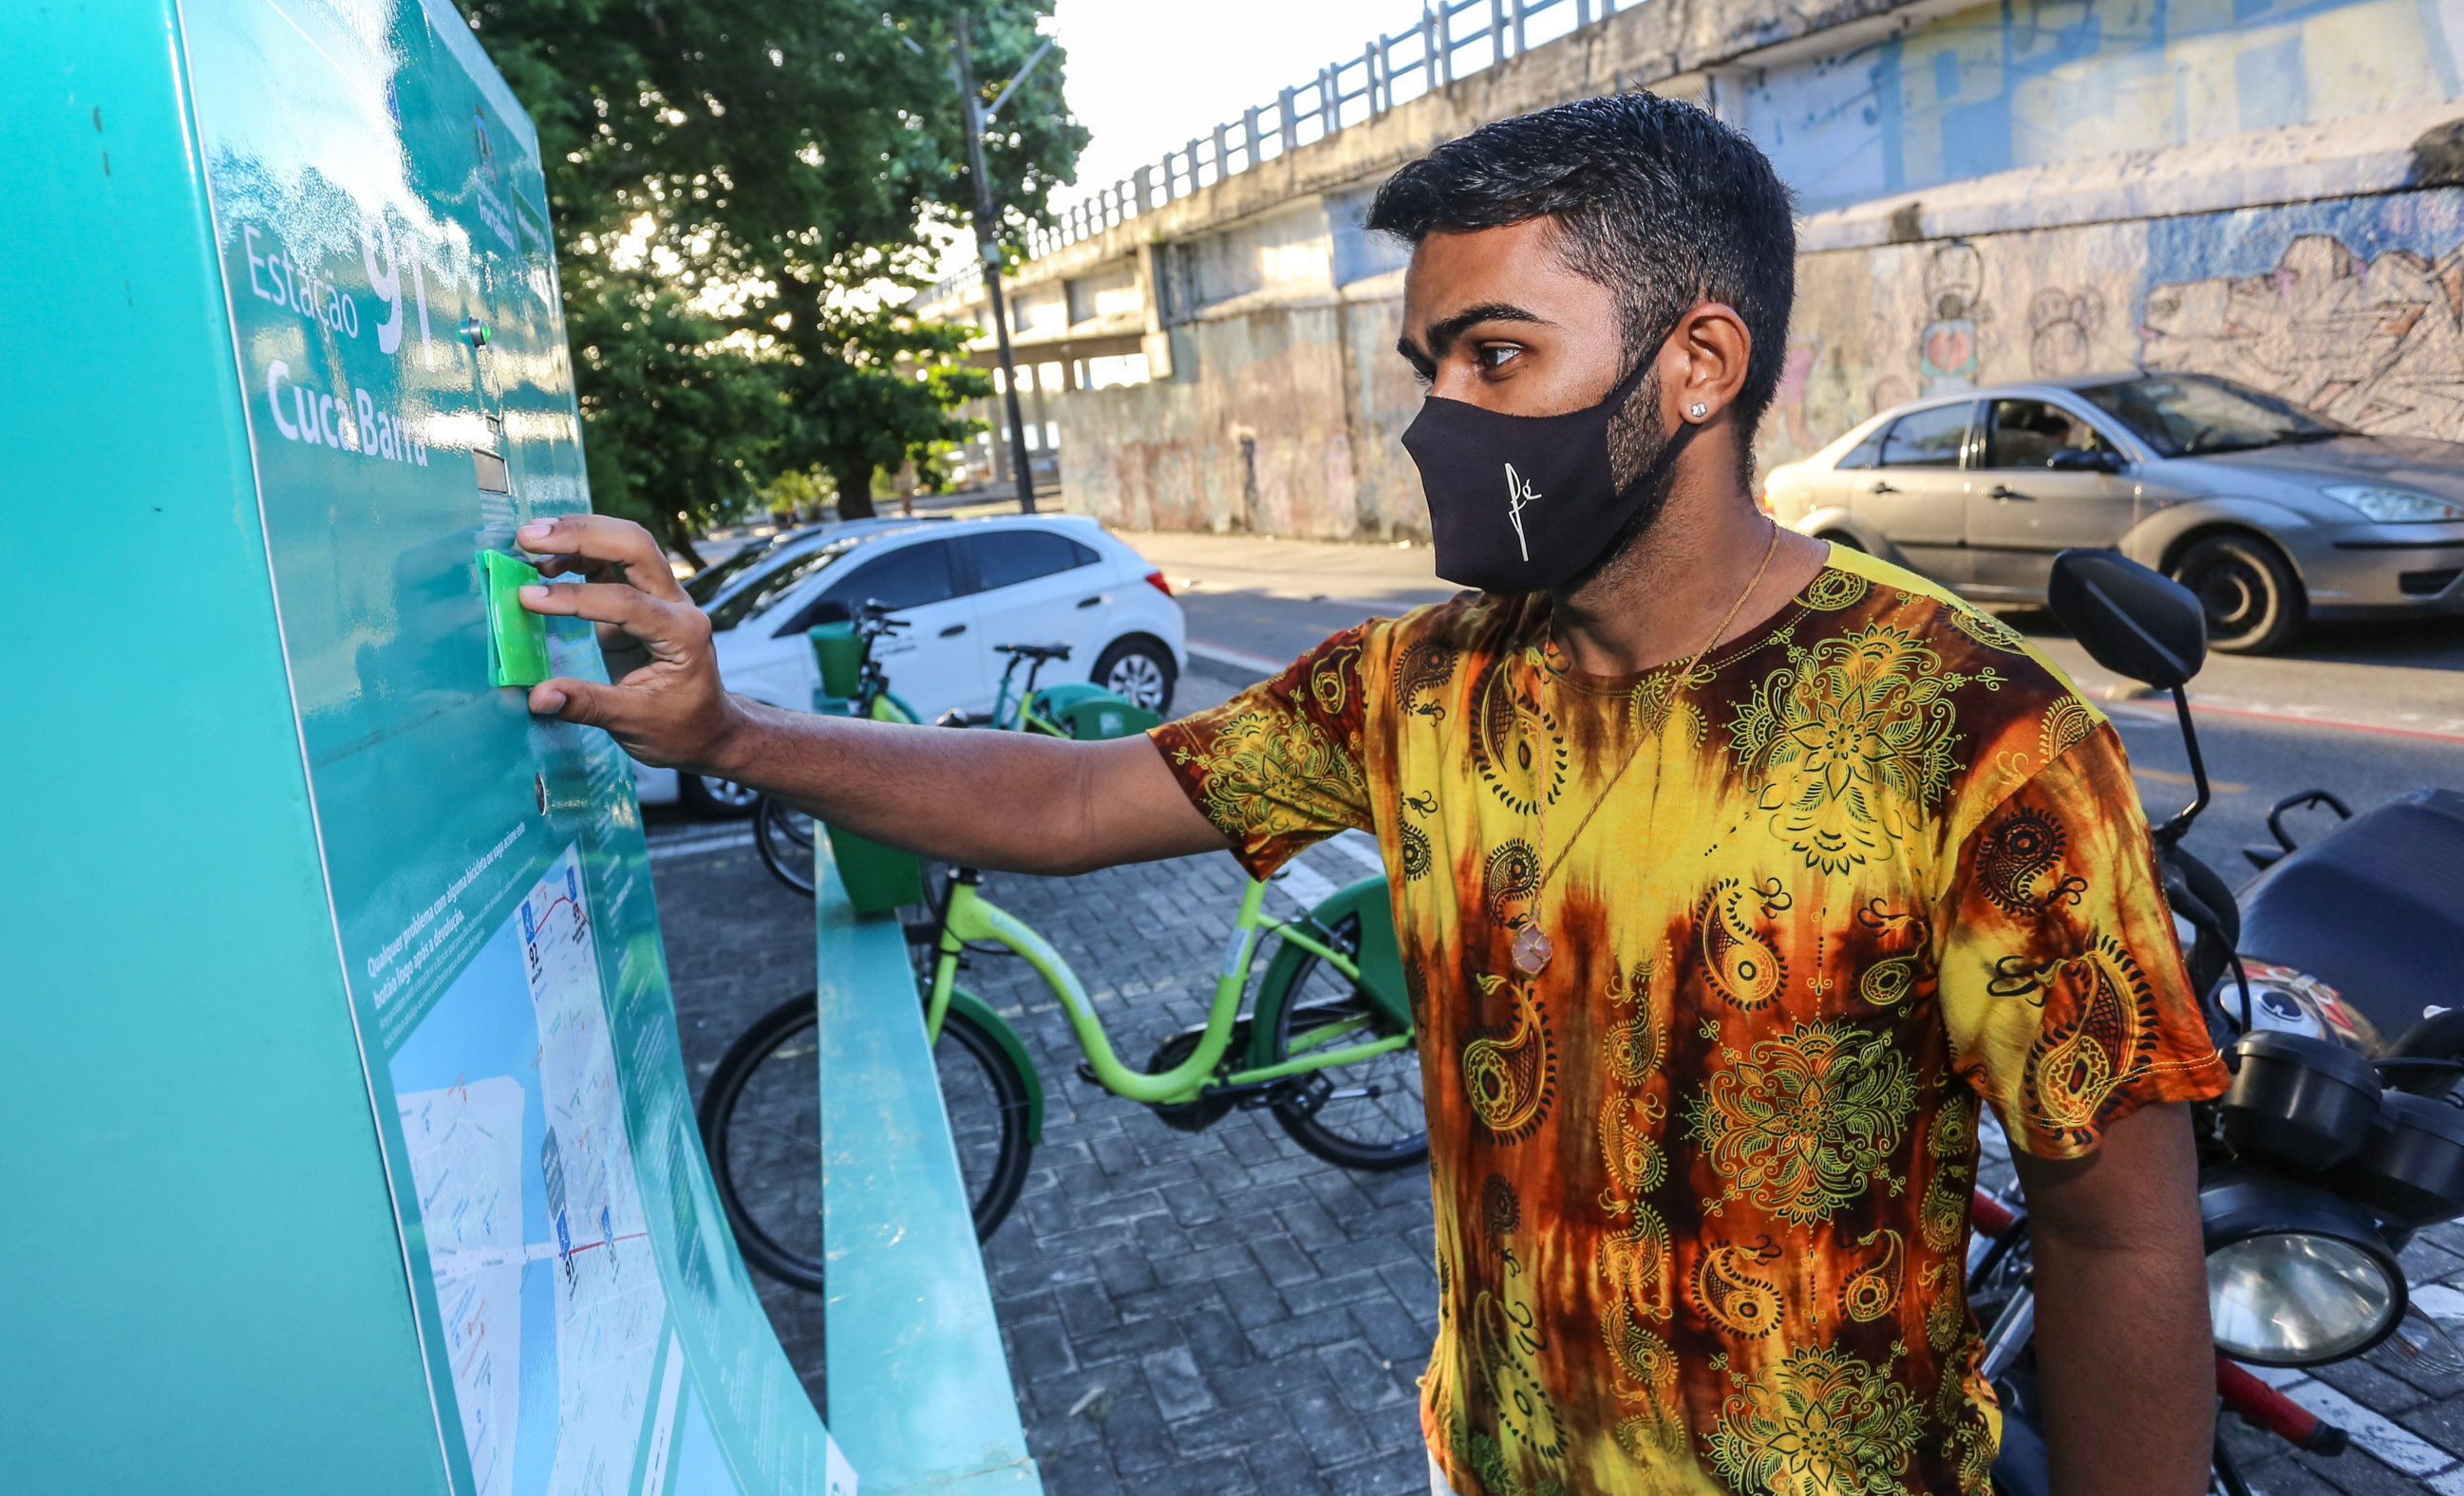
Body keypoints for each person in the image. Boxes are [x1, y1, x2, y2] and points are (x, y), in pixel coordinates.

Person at [510, 92, 2229, 1496]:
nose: (1438, 423)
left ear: (1698, 364)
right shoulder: (1416, 686)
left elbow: (2121, 1239)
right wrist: (732, 730)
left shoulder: (1972, 734)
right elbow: (1075, 803)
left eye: (1495, 357)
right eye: (1426, 368)